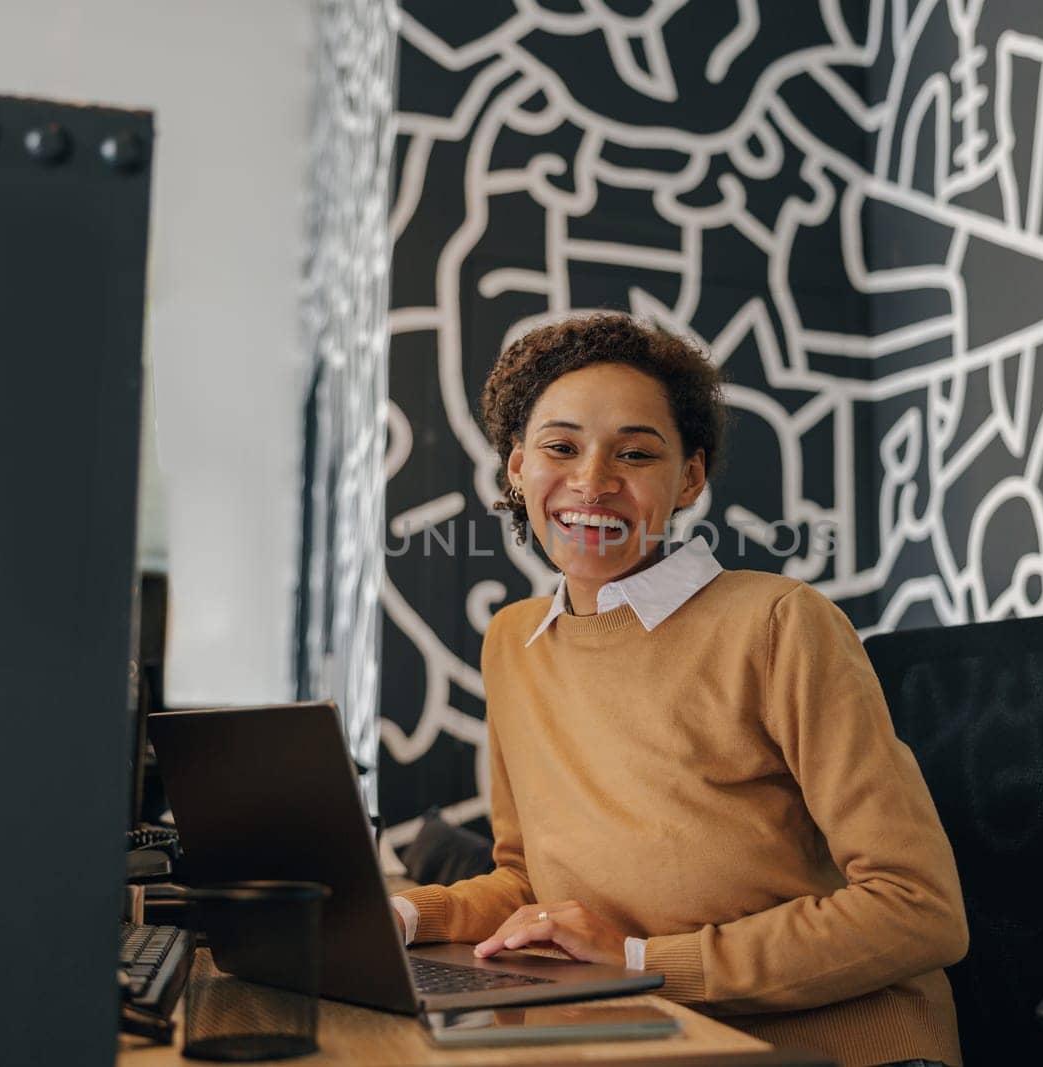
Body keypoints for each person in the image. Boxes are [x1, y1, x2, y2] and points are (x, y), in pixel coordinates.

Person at [391, 313, 967, 1067]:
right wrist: (401, 915)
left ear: (689, 477)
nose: (592, 481)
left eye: (635, 453)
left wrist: (640, 960)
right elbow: (529, 879)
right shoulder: (514, 641)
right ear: (516, 466)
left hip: (832, 1048)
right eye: (560, 447)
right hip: (641, 1033)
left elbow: (919, 909)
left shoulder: (778, 623)